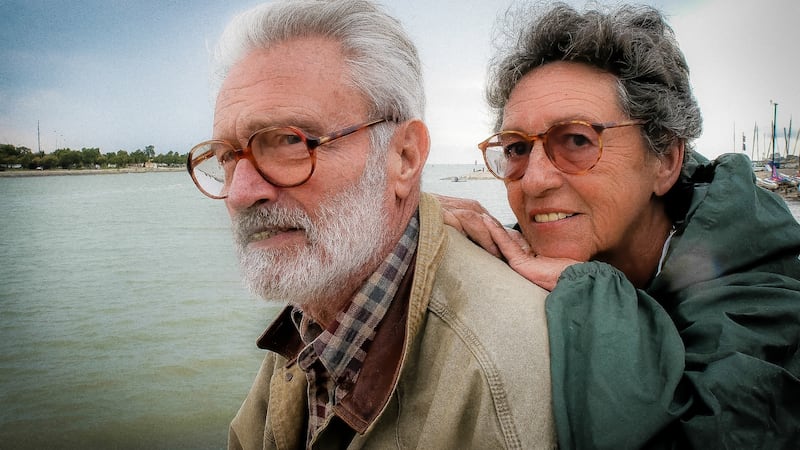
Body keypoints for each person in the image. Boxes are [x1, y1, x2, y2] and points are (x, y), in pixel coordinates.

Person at [186, 1, 556, 448]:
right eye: (227, 156)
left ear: (404, 157)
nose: (242, 192)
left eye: (289, 141)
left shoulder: (500, 375)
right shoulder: (315, 317)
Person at [439, 2, 800, 448]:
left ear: (665, 159)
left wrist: (588, 291)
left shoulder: (762, 282)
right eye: (515, 149)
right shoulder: (516, 250)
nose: (533, 180)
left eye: (576, 140)